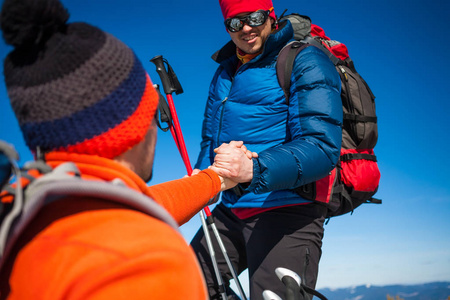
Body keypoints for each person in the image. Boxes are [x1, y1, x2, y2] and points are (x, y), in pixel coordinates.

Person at [0, 0, 249, 299]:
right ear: (136, 127)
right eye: (154, 112)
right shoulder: (141, 258)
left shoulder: (20, 209)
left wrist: (216, 179)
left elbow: (142, 203)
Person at [190, 0, 343, 299]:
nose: (246, 28)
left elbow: (322, 147)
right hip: (232, 207)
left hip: (288, 208)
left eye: (254, 17)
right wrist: (202, 176)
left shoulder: (304, 58)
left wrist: (253, 169)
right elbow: (211, 137)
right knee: (183, 284)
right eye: (235, 22)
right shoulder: (225, 72)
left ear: (270, 16)